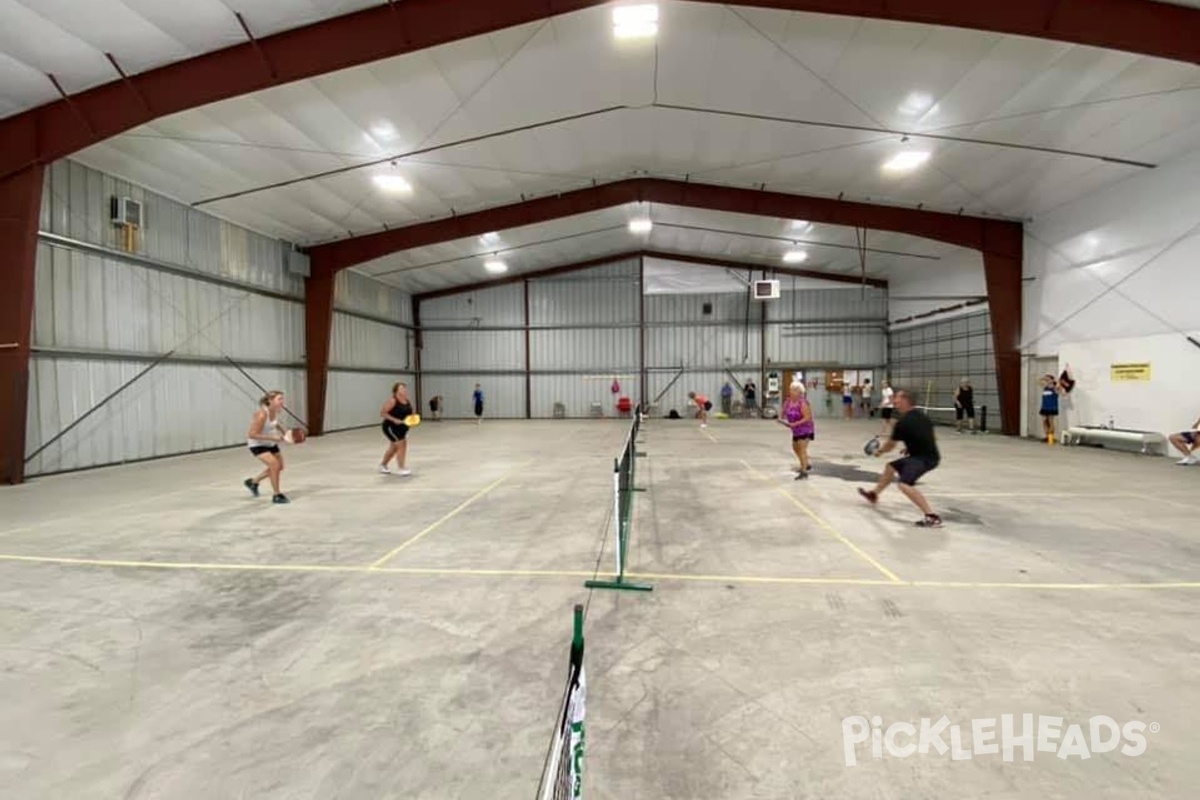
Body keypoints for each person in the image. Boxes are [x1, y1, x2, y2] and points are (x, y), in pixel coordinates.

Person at [858, 389, 942, 528]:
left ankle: (932, 517)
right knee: (890, 467)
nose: (894, 401)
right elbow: (932, 436)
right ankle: (874, 494)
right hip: (926, 456)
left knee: (904, 485)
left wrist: (879, 451)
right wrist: (911, 447)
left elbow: (890, 445)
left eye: (896, 398)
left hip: (923, 459)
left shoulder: (902, 422)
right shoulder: (922, 416)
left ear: (905, 400)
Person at [244, 390, 291, 504]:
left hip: (270, 443)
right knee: (274, 465)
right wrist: (274, 438)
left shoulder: (275, 410)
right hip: (257, 444)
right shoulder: (262, 414)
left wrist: (285, 433)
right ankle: (277, 495)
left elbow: (275, 423)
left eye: (282, 399)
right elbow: (252, 434)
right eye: (279, 399)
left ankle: (253, 482)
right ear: (270, 400)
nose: (282, 401)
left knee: (280, 467)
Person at [778, 383, 814, 479]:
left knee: (802, 449)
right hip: (796, 430)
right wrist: (781, 418)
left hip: (805, 428)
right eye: (791, 389)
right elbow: (783, 412)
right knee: (795, 447)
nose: (791, 391)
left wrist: (795, 424)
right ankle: (805, 463)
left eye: (794, 389)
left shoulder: (803, 403)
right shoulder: (788, 401)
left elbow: (807, 418)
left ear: (800, 392)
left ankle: (804, 472)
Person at [379, 382, 414, 475]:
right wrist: (394, 419)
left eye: (405, 388)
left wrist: (413, 418)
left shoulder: (407, 400)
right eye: (402, 388)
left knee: (394, 448)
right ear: (396, 391)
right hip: (391, 427)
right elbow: (383, 413)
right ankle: (401, 468)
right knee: (402, 444)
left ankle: (383, 465)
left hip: (403, 427)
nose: (404, 390)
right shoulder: (393, 401)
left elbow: (410, 412)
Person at [1039, 374, 1061, 442]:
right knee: (1044, 421)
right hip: (1044, 407)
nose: (1047, 381)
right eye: (1046, 380)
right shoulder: (1045, 387)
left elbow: (1058, 386)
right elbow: (1039, 381)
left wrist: (1054, 381)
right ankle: (1047, 436)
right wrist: (1043, 377)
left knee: (1051, 422)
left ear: (1052, 380)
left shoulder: (1055, 388)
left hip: (1052, 407)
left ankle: (1051, 437)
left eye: (1048, 379)